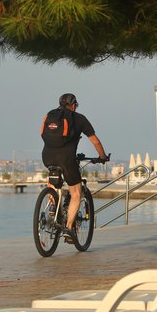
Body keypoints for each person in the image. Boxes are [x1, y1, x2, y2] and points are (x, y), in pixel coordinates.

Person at [41, 93, 109, 243]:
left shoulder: (51, 115)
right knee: (76, 193)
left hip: (47, 156)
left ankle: (52, 206)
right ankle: (69, 228)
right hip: (66, 159)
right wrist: (102, 157)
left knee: (53, 181)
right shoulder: (79, 118)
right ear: (74, 105)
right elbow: (95, 141)